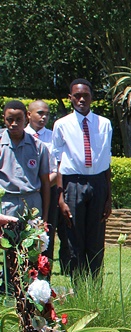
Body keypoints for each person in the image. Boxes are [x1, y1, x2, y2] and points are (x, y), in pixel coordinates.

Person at [51, 79, 114, 278]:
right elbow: (59, 162)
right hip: (73, 184)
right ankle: (79, 290)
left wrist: (108, 197)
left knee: (96, 239)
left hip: (97, 183)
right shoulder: (62, 125)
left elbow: (106, 160)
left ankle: (95, 288)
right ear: (70, 98)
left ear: (91, 98)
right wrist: (60, 198)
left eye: (85, 95)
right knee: (74, 239)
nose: (81, 99)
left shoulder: (104, 124)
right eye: (77, 96)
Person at [1, 100, 51, 220]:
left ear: (26, 118)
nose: (14, 124)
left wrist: (45, 216)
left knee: (32, 237)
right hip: (6, 203)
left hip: (32, 203)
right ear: (4, 118)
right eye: (10, 119)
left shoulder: (38, 146)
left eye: (19, 119)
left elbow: (45, 182)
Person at [25, 100, 59, 263]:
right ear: (28, 114)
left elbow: (56, 168)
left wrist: (41, 187)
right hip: (23, 194)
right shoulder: (19, 135)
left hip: (47, 192)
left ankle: (44, 273)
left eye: (47, 114)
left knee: (45, 233)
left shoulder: (53, 137)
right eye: (40, 113)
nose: (44, 117)